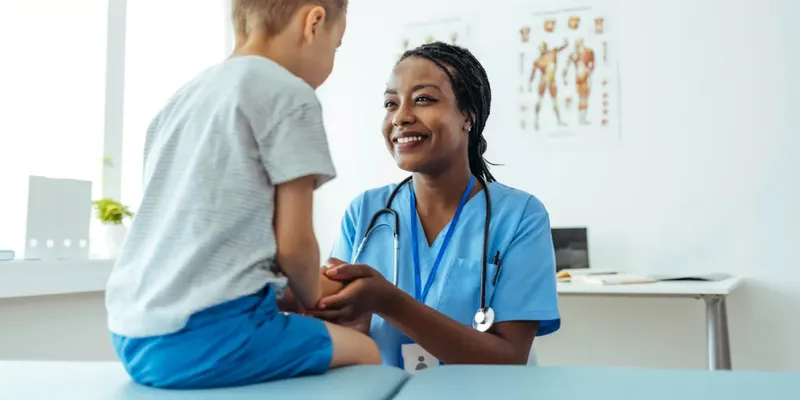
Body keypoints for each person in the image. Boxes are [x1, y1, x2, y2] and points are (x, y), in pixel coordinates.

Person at [104, 0, 380, 390]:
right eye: (336, 45)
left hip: (131, 334)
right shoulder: (290, 94)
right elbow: (295, 247)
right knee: (366, 352)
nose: (332, 60)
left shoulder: (182, 100)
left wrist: (284, 290)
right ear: (313, 23)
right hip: (205, 334)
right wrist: (312, 294)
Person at [308, 42, 561, 370]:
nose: (401, 117)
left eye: (423, 99)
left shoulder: (520, 216)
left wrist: (389, 302)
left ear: (468, 115)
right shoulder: (365, 212)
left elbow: (510, 357)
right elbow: (337, 322)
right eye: (390, 103)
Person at [530, 40, 569, 130]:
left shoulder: (552, 53)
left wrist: (565, 44)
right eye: (540, 48)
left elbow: (560, 49)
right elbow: (533, 72)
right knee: (539, 100)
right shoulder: (538, 60)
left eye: (542, 48)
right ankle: (536, 121)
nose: (541, 50)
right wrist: (530, 82)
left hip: (551, 82)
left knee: (555, 101)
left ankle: (559, 120)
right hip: (543, 82)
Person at [563, 37, 595, 125]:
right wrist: (564, 75)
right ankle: (581, 119)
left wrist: (588, 70)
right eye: (576, 44)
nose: (577, 46)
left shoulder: (588, 52)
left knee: (585, 98)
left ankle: (582, 118)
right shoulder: (574, 54)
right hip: (579, 78)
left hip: (585, 77)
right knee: (582, 98)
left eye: (579, 43)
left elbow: (592, 64)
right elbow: (567, 65)